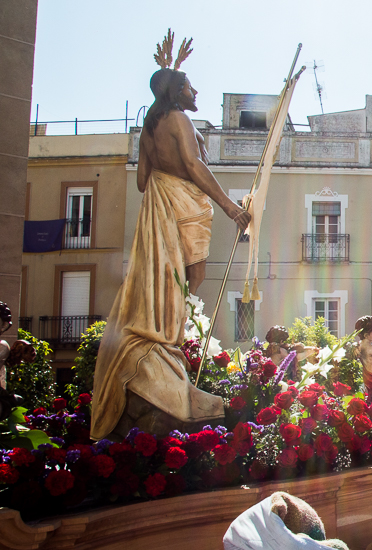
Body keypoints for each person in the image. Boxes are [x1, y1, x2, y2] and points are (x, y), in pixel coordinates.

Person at [91, 31, 251, 440]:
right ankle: (169, 345)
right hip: (185, 205)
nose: (196, 90)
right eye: (190, 85)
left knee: (172, 277)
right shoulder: (180, 119)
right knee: (191, 278)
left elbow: (143, 181)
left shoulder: (150, 126)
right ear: (178, 92)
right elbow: (196, 167)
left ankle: (167, 345)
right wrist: (231, 207)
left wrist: (156, 157)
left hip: (161, 203)